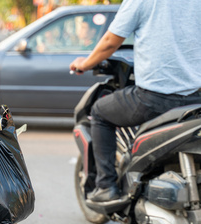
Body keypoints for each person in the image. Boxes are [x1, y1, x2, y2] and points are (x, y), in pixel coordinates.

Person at [69, 0, 201, 204]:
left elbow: (110, 42)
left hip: (154, 99)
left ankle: (106, 187)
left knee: (99, 112)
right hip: (195, 100)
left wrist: (85, 63)